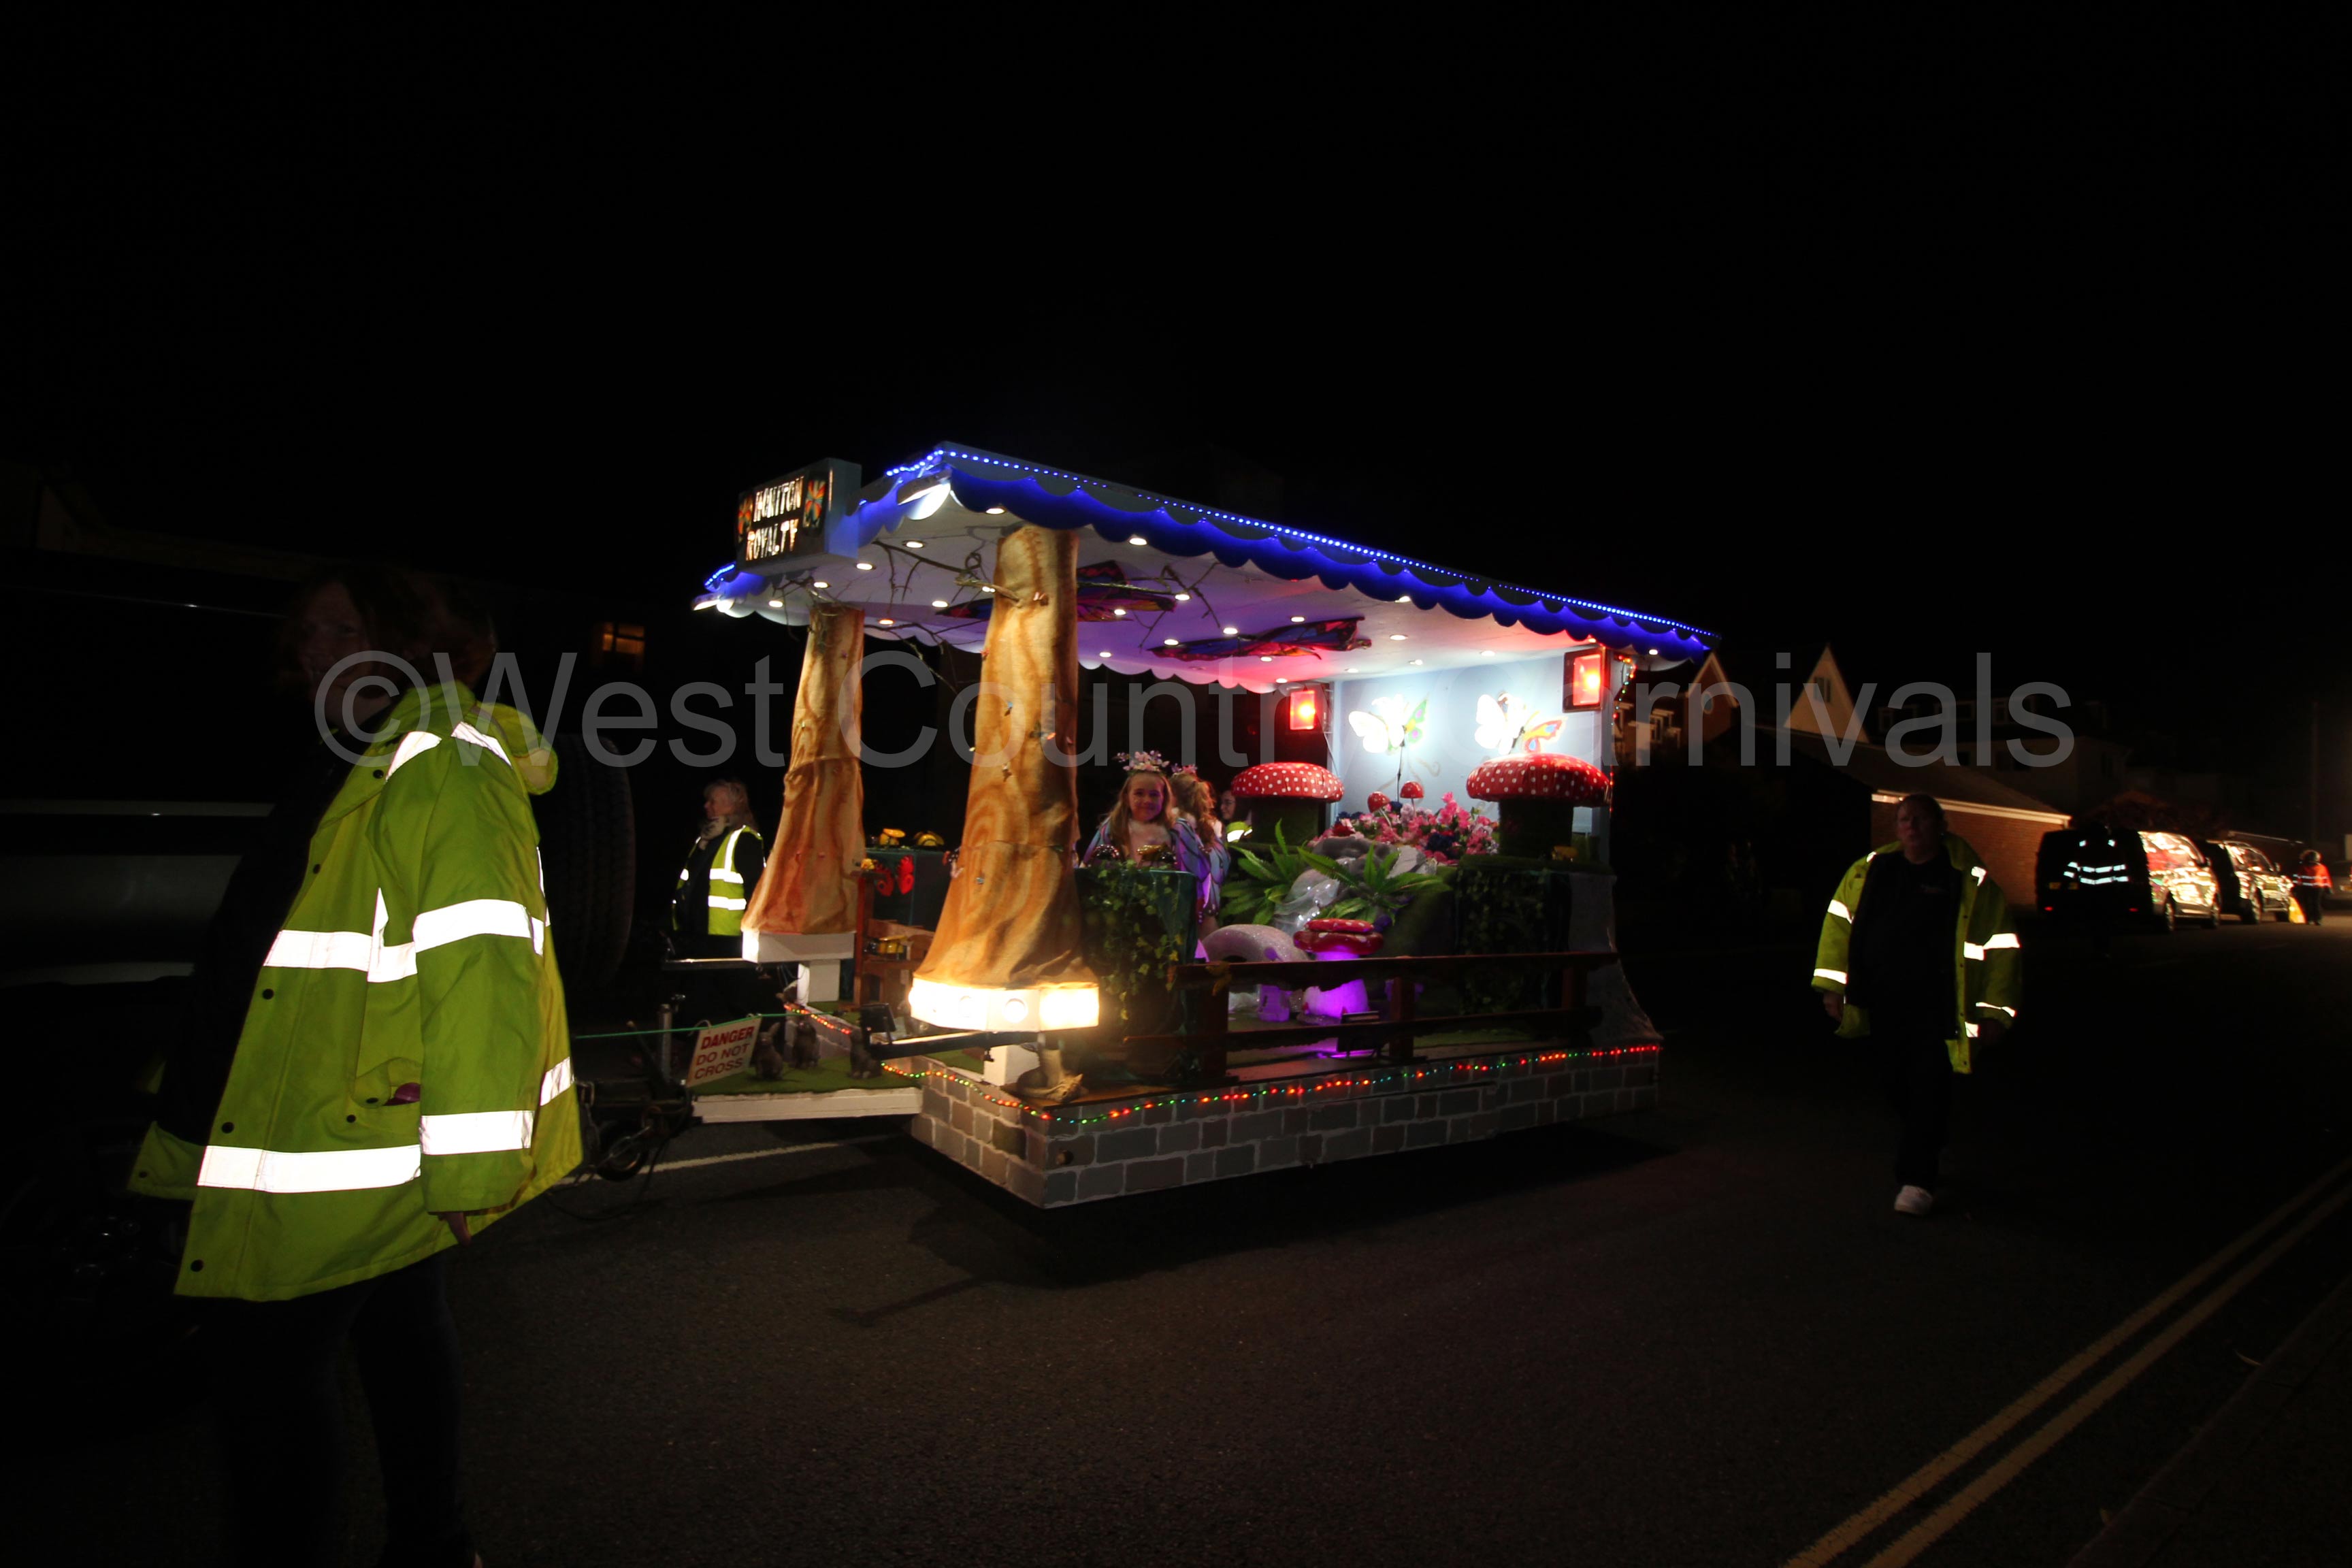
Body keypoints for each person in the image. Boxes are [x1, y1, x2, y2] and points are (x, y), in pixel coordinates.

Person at [129, 562, 578, 1567]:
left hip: (341, 1138)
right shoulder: (360, 758)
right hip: (329, 1117)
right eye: (308, 634)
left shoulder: (439, 761)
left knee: (267, 1376)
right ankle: (435, 1542)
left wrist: (473, 1166)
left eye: (343, 631)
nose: (314, 652)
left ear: (413, 644)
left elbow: (485, 964)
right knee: (399, 1331)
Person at [1811, 793, 2019, 1218]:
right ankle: (1930, 1136)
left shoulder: (1968, 881)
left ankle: (1917, 1180)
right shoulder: (1871, 871)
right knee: (1895, 1084)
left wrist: (1995, 1012)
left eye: (1921, 819)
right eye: (1905, 819)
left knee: (1928, 1086)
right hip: (1883, 1004)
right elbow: (1838, 928)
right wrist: (1833, 988)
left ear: (1941, 825)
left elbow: (2002, 948)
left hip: (1939, 1008)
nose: (1912, 826)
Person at [670, 777, 766, 958]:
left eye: (712, 801)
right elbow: (688, 882)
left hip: (727, 942)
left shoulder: (744, 839)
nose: (706, 806)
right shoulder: (705, 839)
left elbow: (756, 891)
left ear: (731, 806)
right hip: (695, 937)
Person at [1083, 753, 1213, 885]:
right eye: (1139, 794)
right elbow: (1089, 872)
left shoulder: (1179, 829)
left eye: (1154, 795)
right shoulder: (1113, 826)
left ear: (1164, 798)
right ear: (1126, 798)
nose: (1147, 800)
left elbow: (1194, 878)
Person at [1171, 766, 1230, 934]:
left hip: (1181, 889)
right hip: (1207, 892)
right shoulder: (1213, 825)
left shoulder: (1172, 821)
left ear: (1173, 795)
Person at [2292, 850, 2331, 924]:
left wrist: (2328, 887)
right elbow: (2297, 877)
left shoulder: (2321, 867)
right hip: (2307, 888)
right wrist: (2296, 887)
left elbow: (2326, 878)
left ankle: (2317, 919)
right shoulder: (2303, 867)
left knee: (2316, 904)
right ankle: (2310, 919)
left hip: (2317, 888)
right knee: (2308, 904)